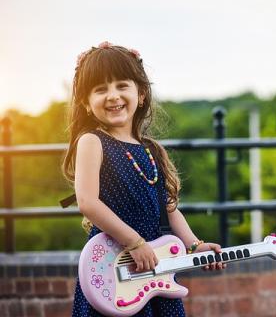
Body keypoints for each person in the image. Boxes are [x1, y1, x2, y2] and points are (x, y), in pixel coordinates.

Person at [62, 41, 225, 317]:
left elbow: (169, 209)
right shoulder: (92, 142)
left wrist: (195, 244)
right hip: (117, 265)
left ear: (142, 93)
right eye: (101, 89)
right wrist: (134, 243)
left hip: (156, 267)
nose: (112, 95)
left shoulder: (152, 150)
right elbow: (88, 202)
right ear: (86, 104)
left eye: (121, 85)